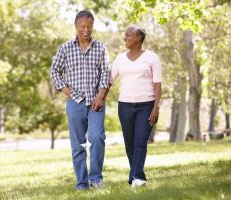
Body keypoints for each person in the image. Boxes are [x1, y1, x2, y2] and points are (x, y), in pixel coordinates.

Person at [50, 10, 110, 190]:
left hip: (95, 102)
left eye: (89, 26)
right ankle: (82, 183)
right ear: (76, 26)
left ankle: (96, 179)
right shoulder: (65, 48)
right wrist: (67, 91)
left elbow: (106, 73)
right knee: (78, 145)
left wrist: (100, 96)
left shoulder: (100, 47)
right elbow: (54, 71)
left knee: (97, 137)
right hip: (74, 103)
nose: (86, 30)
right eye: (82, 26)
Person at [109, 25, 162, 187]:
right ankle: (139, 177)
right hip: (125, 106)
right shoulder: (120, 58)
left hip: (146, 105)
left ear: (138, 38)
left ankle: (135, 178)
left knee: (140, 142)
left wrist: (156, 107)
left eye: (128, 35)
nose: (125, 38)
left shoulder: (152, 57)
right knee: (129, 144)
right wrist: (98, 97)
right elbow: (109, 81)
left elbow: (157, 85)